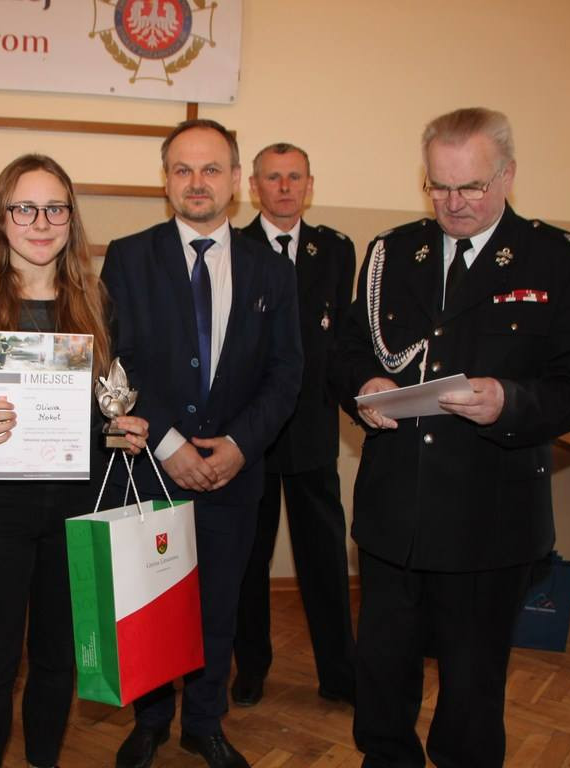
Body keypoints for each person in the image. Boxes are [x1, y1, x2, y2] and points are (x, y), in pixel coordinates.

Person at [329, 107, 570, 767]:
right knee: (382, 672)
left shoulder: (556, 259)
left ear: (507, 175)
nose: (452, 203)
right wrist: (365, 383)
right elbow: (345, 348)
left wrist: (510, 401)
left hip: (490, 517)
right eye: (438, 186)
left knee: (473, 686)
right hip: (396, 510)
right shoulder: (394, 252)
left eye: (471, 187)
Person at [0, 153, 149, 768]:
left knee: (57, 662)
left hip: (76, 508)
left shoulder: (95, 305)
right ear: (1, 217)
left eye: (54, 209)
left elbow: (102, 412)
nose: (40, 223)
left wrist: (121, 430)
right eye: (25, 208)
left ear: (71, 218)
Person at [102, 120, 303, 768]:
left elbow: (286, 373)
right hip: (151, 469)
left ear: (236, 180)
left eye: (211, 169)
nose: (197, 182)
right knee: (152, 604)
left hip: (232, 475)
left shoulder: (272, 270)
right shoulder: (129, 257)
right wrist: (168, 444)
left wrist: (240, 445)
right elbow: (116, 360)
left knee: (219, 606)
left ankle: (204, 723)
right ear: (165, 180)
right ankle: (152, 721)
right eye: (182, 169)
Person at [231, 143, 357, 707]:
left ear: (309, 184)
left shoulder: (336, 250)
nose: (284, 187)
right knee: (248, 560)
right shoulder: (234, 248)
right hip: (252, 433)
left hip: (311, 431)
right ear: (253, 186)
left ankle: (340, 674)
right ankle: (251, 668)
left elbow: (341, 340)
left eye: (294, 177)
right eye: (273, 178)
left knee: (324, 560)